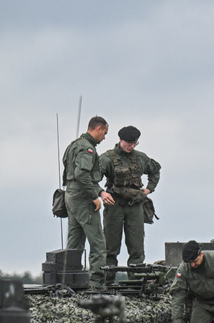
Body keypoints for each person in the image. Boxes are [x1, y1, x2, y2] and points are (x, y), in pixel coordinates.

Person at [99, 125, 161, 283]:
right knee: (110, 245)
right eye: (129, 143)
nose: (132, 146)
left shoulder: (140, 157)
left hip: (135, 205)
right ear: (120, 140)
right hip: (114, 204)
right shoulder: (107, 158)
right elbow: (92, 177)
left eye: (135, 143)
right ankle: (107, 281)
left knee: (137, 245)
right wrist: (101, 193)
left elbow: (155, 170)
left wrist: (149, 189)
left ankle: (136, 281)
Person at [63, 116, 114, 289]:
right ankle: (96, 282)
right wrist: (94, 196)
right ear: (98, 128)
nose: (105, 137)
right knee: (98, 242)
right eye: (105, 133)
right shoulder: (87, 149)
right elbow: (82, 174)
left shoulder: (74, 145)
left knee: (74, 241)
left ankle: (70, 279)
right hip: (83, 197)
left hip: (70, 195)